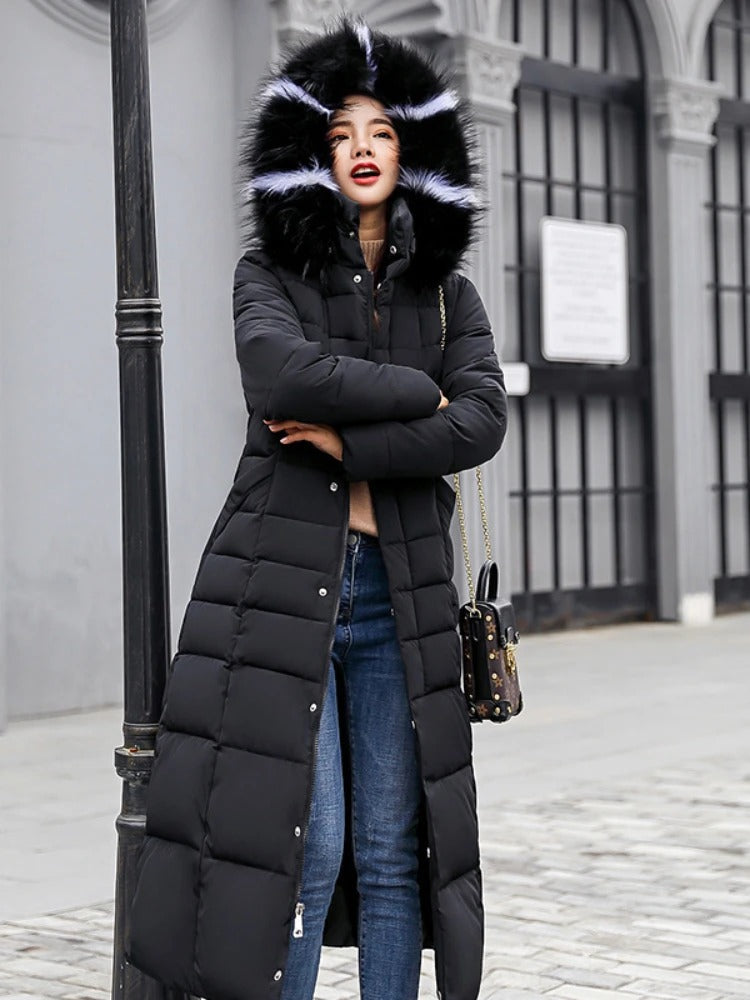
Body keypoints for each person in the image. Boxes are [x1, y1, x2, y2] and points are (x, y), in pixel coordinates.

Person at [125, 15, 507, 1000]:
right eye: (341, 135)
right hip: (284, 590)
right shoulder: (269, 277)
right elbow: (277, 372)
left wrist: (351, 439)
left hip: (400, 598)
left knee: (387, 848)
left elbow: (482, 423)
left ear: (410, 150)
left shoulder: (449, 294)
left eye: (380, 132)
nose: (362, 150)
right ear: (312, 156)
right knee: (303, 844)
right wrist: (417, 397)